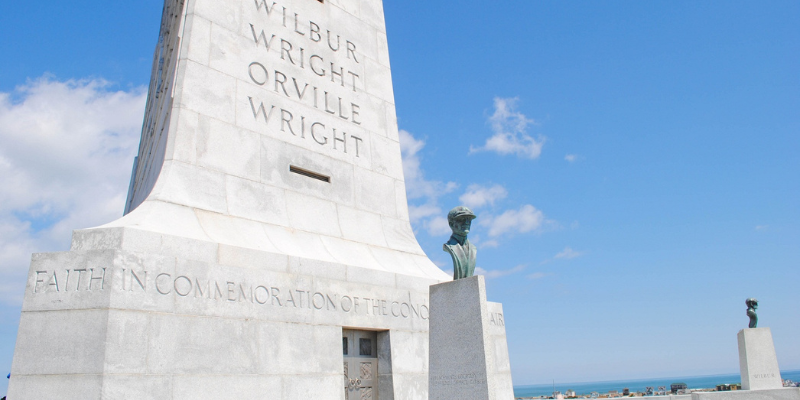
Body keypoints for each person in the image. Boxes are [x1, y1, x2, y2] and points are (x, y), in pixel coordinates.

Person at [443, 206, 477, 280]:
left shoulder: (473, 249)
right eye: (462, 219)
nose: (466, 223)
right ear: (451, 224)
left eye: (469, 220)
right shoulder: (449, 246)